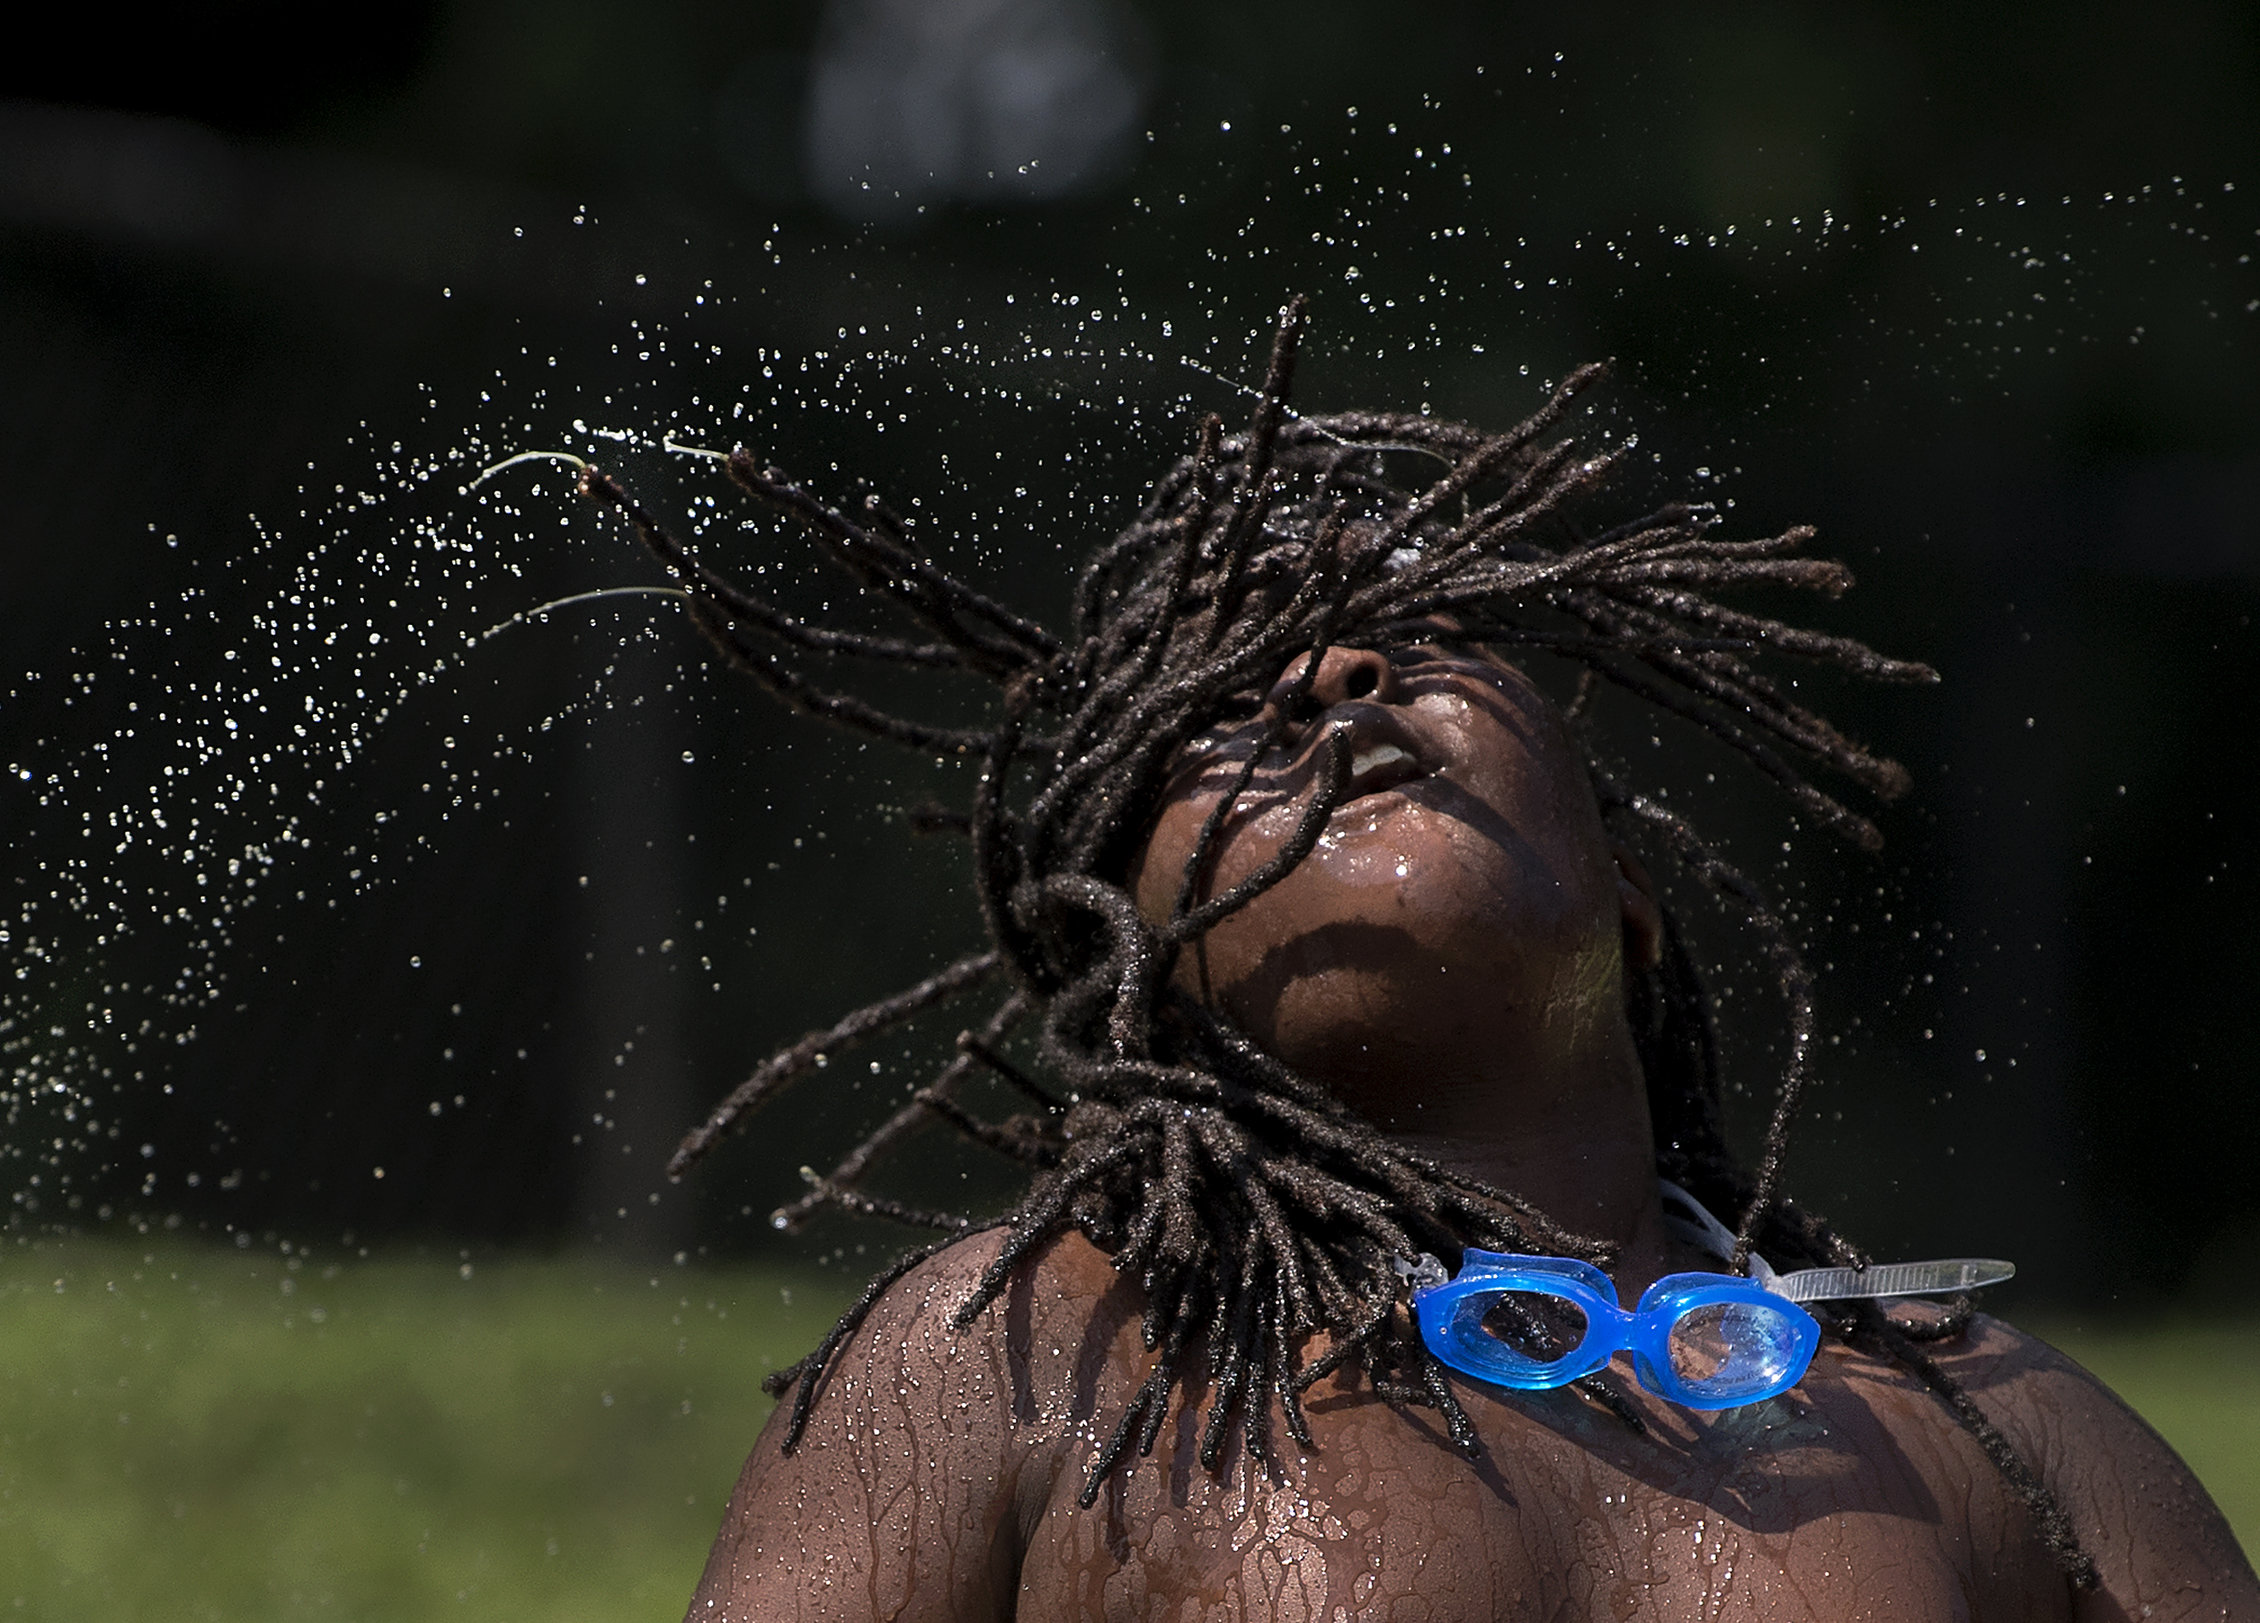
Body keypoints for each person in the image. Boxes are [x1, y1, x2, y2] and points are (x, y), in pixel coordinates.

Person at [572, 300, 2258, 1619]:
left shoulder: (2001, 1432)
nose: (1327, 693)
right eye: (1213, 723)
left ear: (1630, 895)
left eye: (1425, 651)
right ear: (1139, 970)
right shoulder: (1018, 1361)